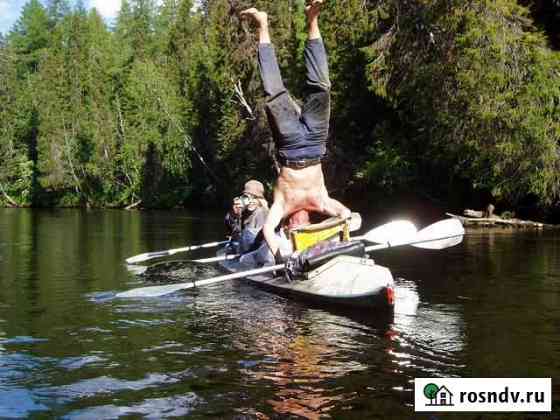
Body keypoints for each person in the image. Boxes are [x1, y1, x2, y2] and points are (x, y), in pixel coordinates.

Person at [241, 1, 351, 259]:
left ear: (290, 225)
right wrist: (345, 219)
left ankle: (263, 25)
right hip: (315, 142)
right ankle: (312, 19)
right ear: (305, 223)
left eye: (294, 225)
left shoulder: (282, 206)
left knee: (274, 93)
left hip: (290, 145)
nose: (297, 223)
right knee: (321, 87)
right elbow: (343, 212)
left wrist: (280, 251)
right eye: (300, 225)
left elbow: (269, 229)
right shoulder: (320, 202)